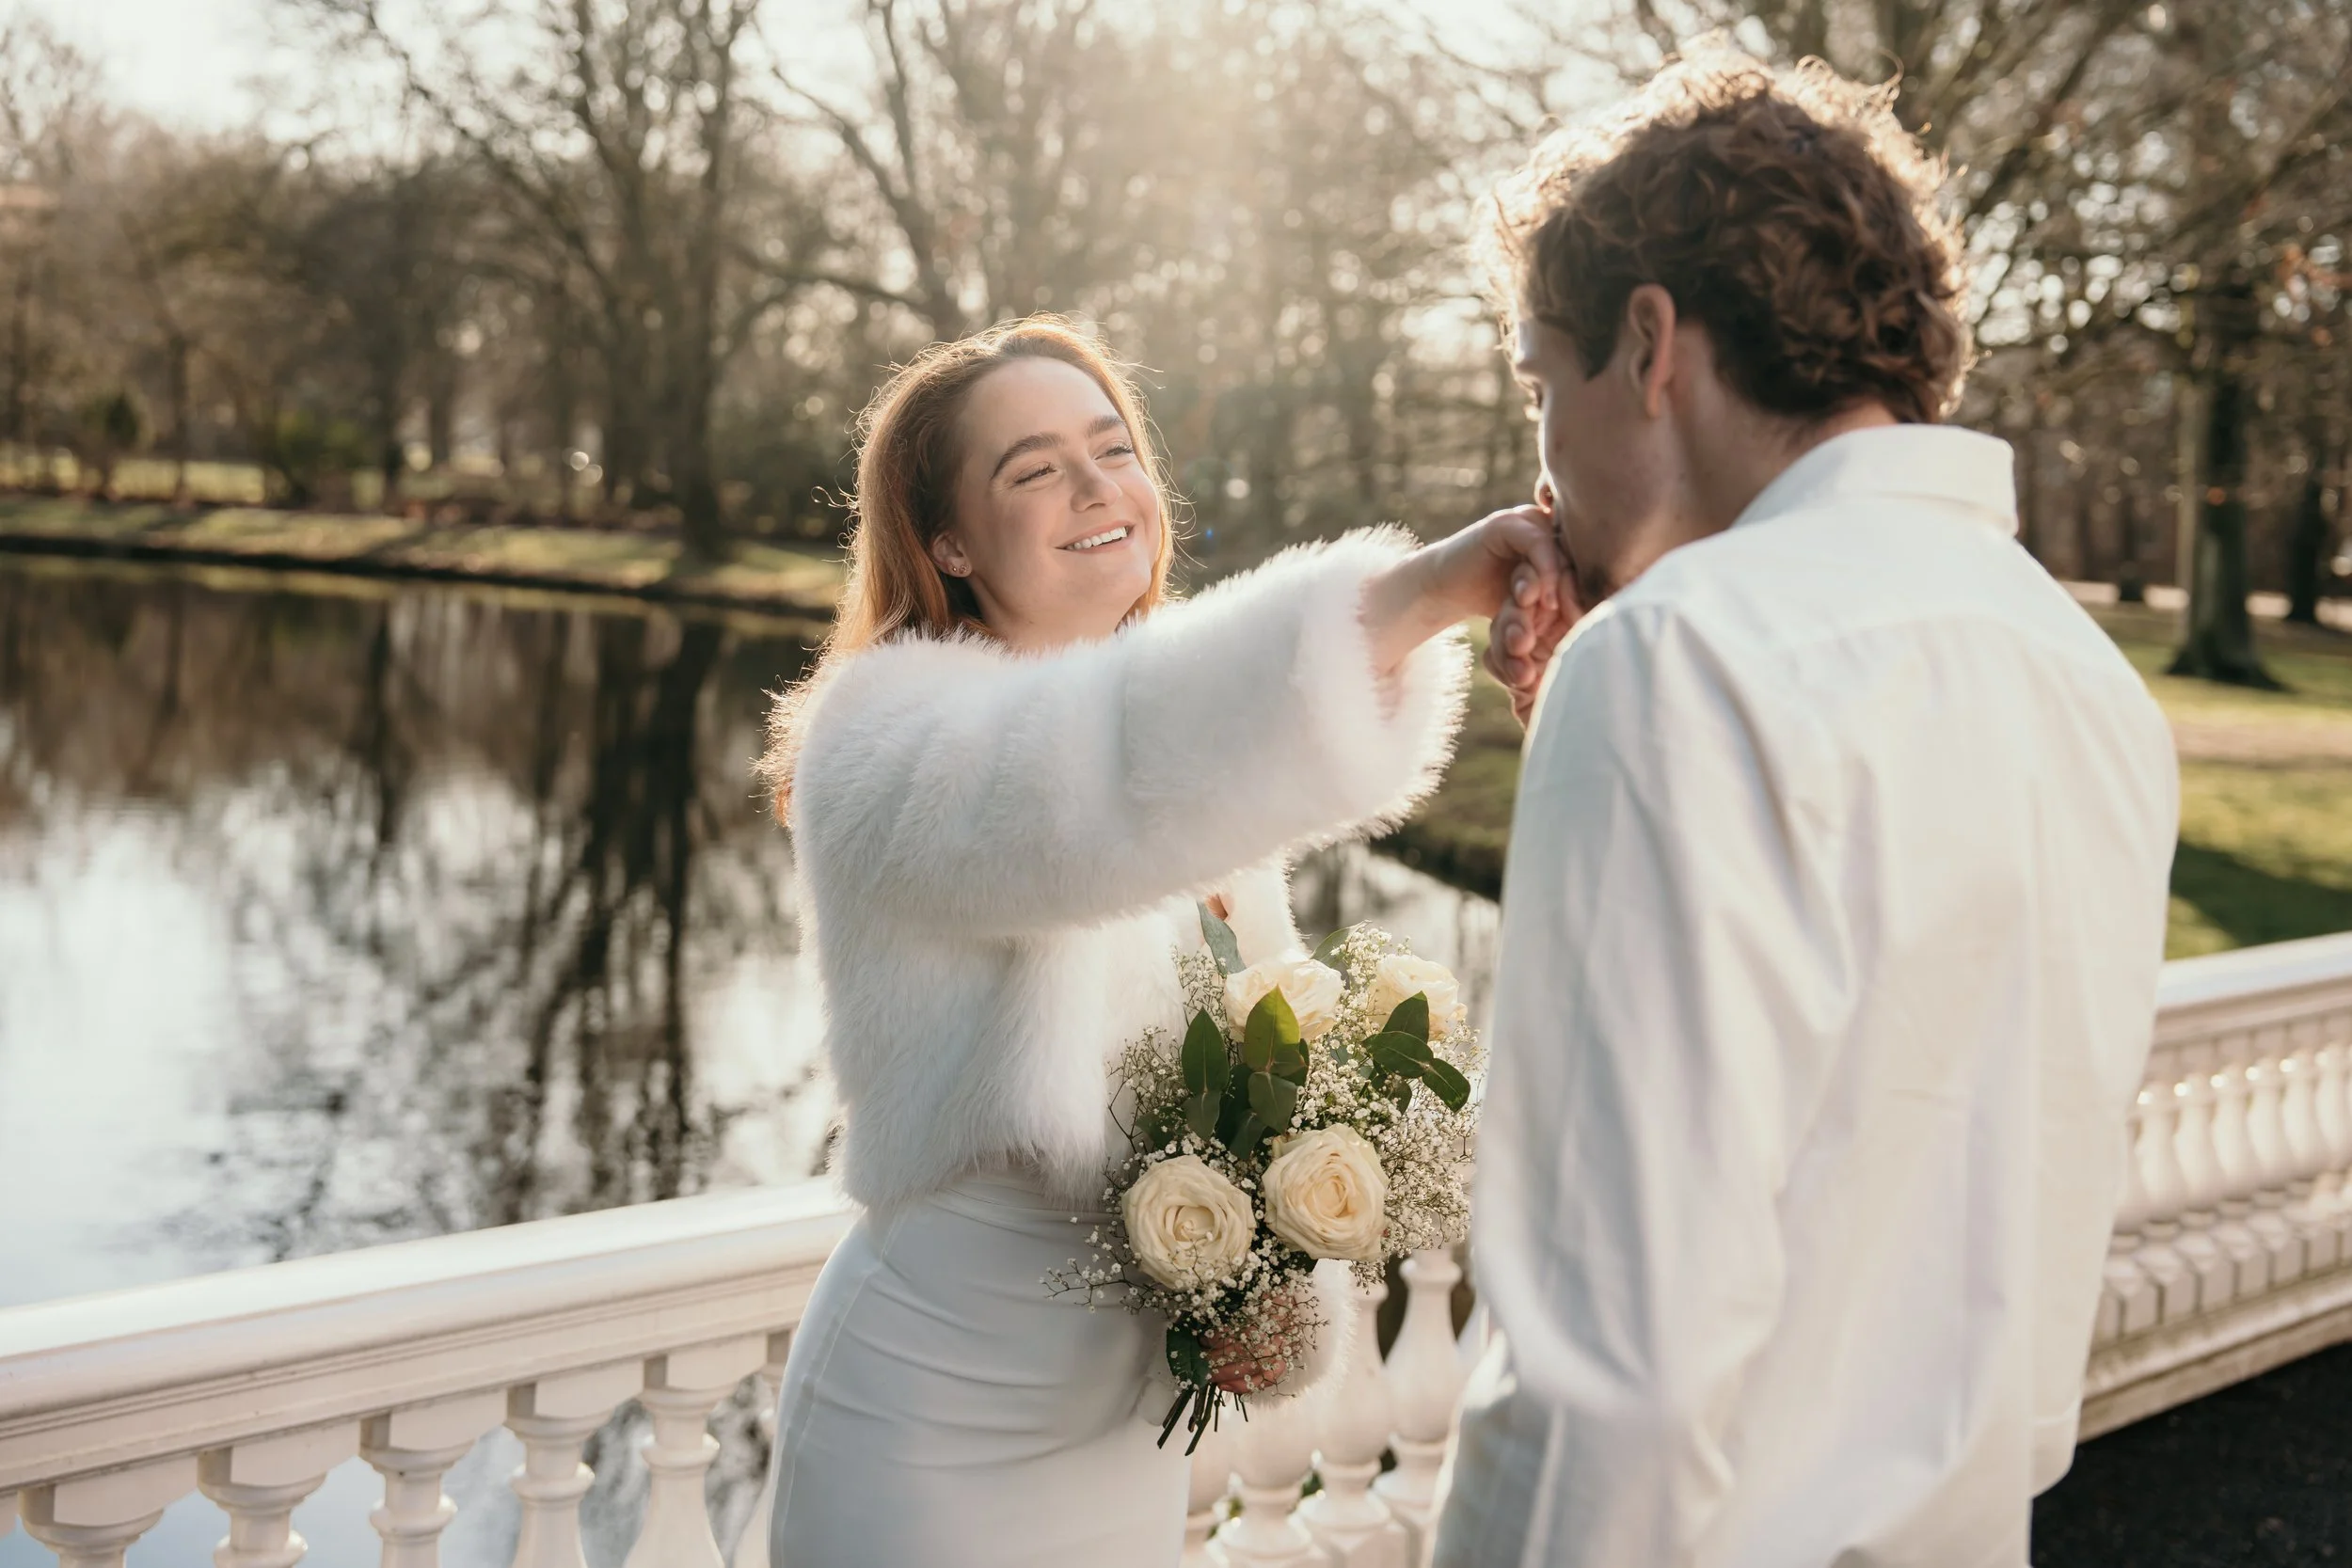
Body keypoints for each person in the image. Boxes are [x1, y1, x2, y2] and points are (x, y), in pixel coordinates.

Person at [1435, 53, 2181, 1567]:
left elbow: (1603, 1392)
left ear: (1649, 344)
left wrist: (1630, 683)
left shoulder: (1679, 662)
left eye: (1538, 381)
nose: (1539, 460)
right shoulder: (2092, 682)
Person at [757, 316, 1565, 1565]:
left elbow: (1248, 1078)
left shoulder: (1196, 772)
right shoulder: (882, 737)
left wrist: (1268, 1272)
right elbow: (1085, 786)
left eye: (1112, 446)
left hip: (1120, 1437)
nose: (1095, 487)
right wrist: (1426, 591)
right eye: (1032, 469)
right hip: (928, 1421)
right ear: (949, 542)